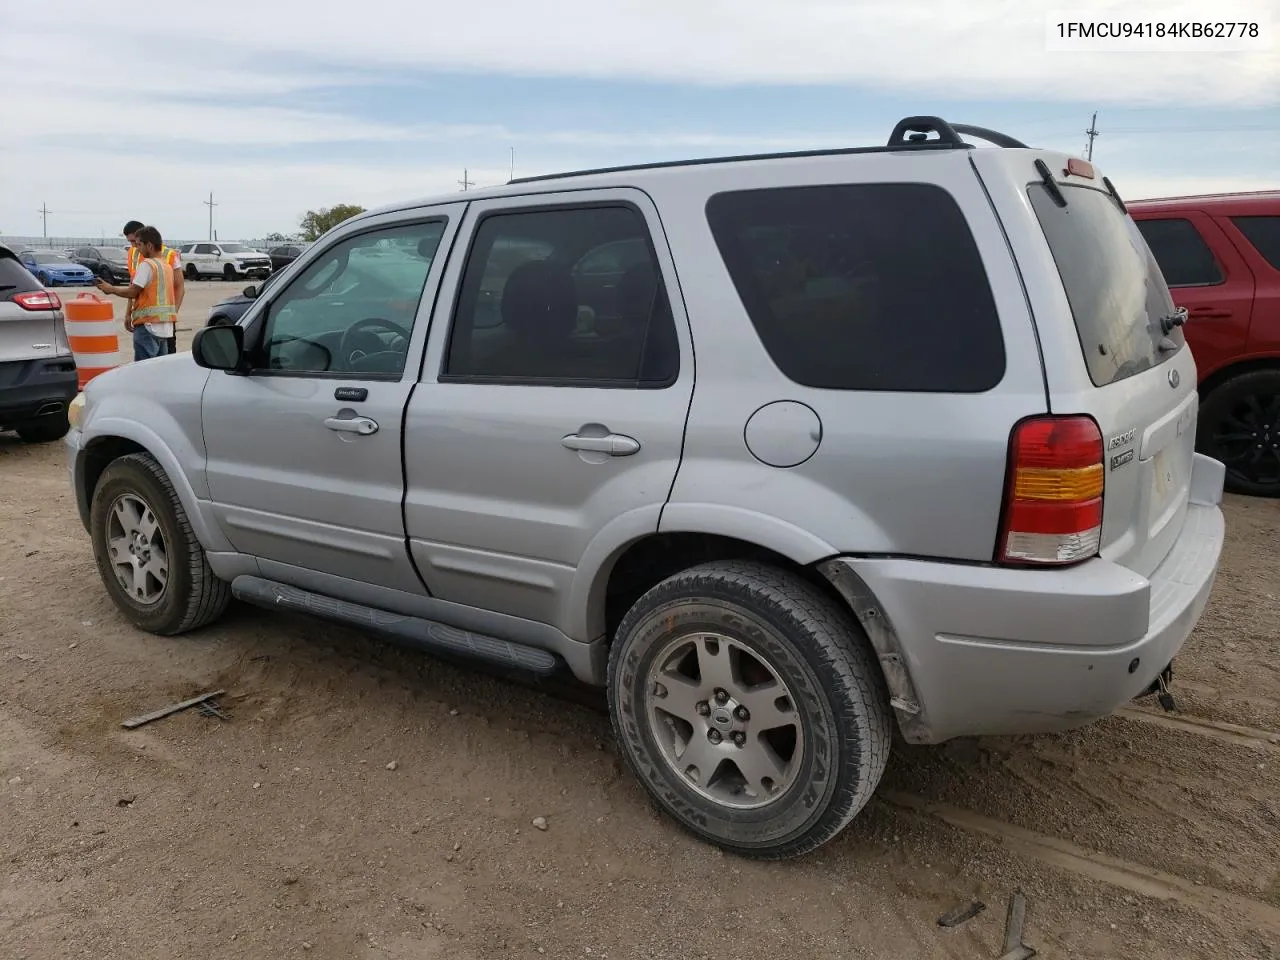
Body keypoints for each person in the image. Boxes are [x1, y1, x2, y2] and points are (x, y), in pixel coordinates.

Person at [97, 226, 179, 360]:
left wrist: (111, 289)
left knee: (143, 372)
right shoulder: (166, 266)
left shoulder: (147, 265)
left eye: (139, 244)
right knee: (158, 371)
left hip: (148, 327)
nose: (137, 248)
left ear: (150, 246)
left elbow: (133, 291)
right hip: (165, 328)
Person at [119, 218, 185, 314]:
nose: (133, 246)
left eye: (134, 241)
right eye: (130, 242)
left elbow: (180, 287)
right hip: (140, 315)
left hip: (162, 317)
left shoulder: (169, 255)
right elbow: (133, 286)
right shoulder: (133, 253)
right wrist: (128, 313)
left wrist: (174, 313)